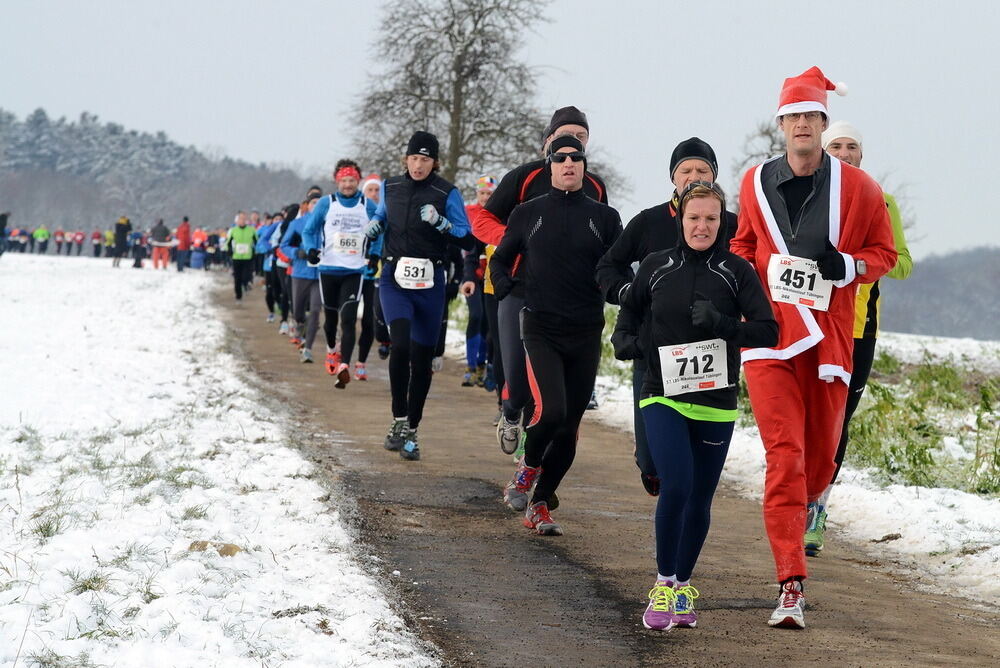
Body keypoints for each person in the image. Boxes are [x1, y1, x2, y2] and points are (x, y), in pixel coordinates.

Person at [731, 67, 897, 629]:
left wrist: (847, 265)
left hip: (829, 340)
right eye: (792, 116)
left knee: (820, 460)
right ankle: (790, 583)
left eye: (810, 116)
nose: (801, 124)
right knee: (785, 455)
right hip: (770, 339)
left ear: (824, 125)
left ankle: (811, 500)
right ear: (781, 125)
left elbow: (884, 254)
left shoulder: (861, 189)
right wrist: (744, 292)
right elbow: (743, 244)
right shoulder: (754, 182)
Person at [615, 181, 777, 631]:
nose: (702, 226)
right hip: (662, 391)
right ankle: (664, 583)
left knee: (700, 498)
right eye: (694, 218)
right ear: (681, 220)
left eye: (711, 218)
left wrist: (724, 323)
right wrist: (623, 339)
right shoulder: (656, 265)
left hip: (715, 400)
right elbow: (630, 312)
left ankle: (684, 584)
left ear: (722, 223)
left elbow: (768, 331)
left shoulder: (736, 271)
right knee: (678, 485)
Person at [490, 135, 622, 536]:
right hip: (541, 327)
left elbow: (617, 266)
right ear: (549, 165)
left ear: (584, 166)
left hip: (586, 330)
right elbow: (501, 259)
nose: (568, 163)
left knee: (569, 427)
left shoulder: (605, 217)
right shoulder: (528, 213)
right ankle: (527, 470)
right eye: (560, 157)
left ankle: (541, 503)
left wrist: (620, 290)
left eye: (575, 157)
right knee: (551, 411)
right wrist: (506, 287)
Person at [597, 137, 737, 498]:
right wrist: (627, 294)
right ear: (673, 177)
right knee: (652, 460)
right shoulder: (649, 222)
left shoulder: (730, 225)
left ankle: (681, 499)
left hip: (711, 355)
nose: (694, 176)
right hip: (655, 351)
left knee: (690, 463)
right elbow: (608, 266)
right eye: (685, 170)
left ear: (714, 176)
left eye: (702, 170)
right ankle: (652, 465)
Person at [802, 121, 914, 556]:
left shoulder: (881, 200)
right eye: (836, 146)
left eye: (852, 146)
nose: (845, 153)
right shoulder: (804, 195)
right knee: (800, 414)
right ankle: (791, 498)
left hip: (856, 328)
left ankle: (817, 508)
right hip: (808, 321)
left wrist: (856, 264)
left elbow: (901, 262)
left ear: (862, 155)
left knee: (837, 421)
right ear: (823, 151)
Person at [473, 106, 610, 458]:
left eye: (580, 138)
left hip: (567, 297)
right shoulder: (524, 177)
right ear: (548, 141)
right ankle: (510, 412)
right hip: (518, 286)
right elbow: (482, 219)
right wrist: (517, 241)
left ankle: (532, 450)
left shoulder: (594, 186)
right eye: (564, 136)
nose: (572, 144)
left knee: (547, 385)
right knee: (517, 379)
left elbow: (603, 243)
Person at [364, 130, 474, 461]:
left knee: (422, 361)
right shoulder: (391, 187)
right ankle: (398, 419)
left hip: (430, 282)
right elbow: (381, 216)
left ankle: (412, 428)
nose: (418, 165)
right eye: (413, 158)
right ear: (406, 159)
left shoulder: (447, 192)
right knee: (400, 345)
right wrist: (375, 226)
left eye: (425, 159)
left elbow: (467, 238)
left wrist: (442, 223)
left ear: (434, 162)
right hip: (394, 278)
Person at [303, 160, 381, 385]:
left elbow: (380, 231)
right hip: (328, 268)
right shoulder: (326, 203)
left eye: (352, 180)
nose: (348, 185)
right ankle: (331, 349)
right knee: (330, 320)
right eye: (344, 180)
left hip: (354, 270)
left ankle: (344, 365)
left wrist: (374, 255)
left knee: (348, 319)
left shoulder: (367, 205)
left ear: (358, 181)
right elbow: (309, 230)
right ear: (337, 182)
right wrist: (310, 250)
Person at [459, 175, 497, 388]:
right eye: (482, 193)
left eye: (489, 194)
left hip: (493, 277)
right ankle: (470, 366)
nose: (485, 197)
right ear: (477, 194)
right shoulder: (469, 212)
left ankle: (483, 365)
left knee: (488, 322)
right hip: (472, 273)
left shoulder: (499, 214)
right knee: (476, 316)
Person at [355, 173, 384, 380]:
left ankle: (361, 363)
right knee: (347, 318)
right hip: (352, 271)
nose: (374, 194)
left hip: (375, 274)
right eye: (370, 190)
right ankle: (341, 351)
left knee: (369, 320)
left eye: (377, 190)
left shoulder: (386, 213)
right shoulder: (357, 211)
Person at [226, 212, 258, 300]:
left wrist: (255, 252)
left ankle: (245, 285)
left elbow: (257, 242)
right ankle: (238, 296)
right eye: (240, 219)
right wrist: (229, 251)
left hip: (248, 257)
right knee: (237, 277)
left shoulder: (251, 230)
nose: (242, 220)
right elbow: (228, 243)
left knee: (246, 276)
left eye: (244, 219)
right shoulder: (233, 230)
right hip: (236, 257)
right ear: (237, 220)